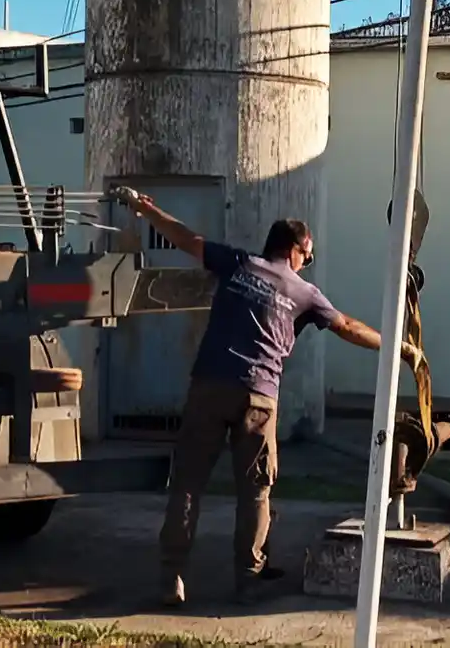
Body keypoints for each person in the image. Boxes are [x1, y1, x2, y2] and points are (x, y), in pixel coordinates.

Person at [110, 186, 423, 607]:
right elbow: (347, 326)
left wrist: (146, 209)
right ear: (294, 250)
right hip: (259, 397)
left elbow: (184, 237)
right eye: (307, 257)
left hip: (209, 387)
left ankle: (172, 580)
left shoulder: (238, 263)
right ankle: (248, 579)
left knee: (187, 485)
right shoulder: (304, 293)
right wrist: (398, 347)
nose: (307, 265)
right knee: (256, 492)